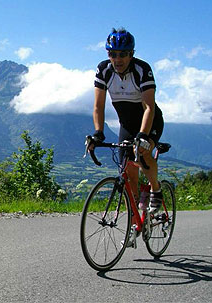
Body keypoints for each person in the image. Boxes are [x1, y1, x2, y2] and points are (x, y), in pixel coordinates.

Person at [88, 28, 165, 236]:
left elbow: (149, 107)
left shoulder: (142, 69)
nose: (118, 59)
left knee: (142, 153)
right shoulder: (103, 70)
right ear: (108, 54)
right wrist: (98, 132)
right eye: (113, 54)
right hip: (126, 125)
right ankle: (135, 222)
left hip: (149, 121)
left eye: (122, 54)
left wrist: (143, 136)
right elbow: (98, 107)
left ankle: (155, 189)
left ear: (131, 54)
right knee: (127, 172)